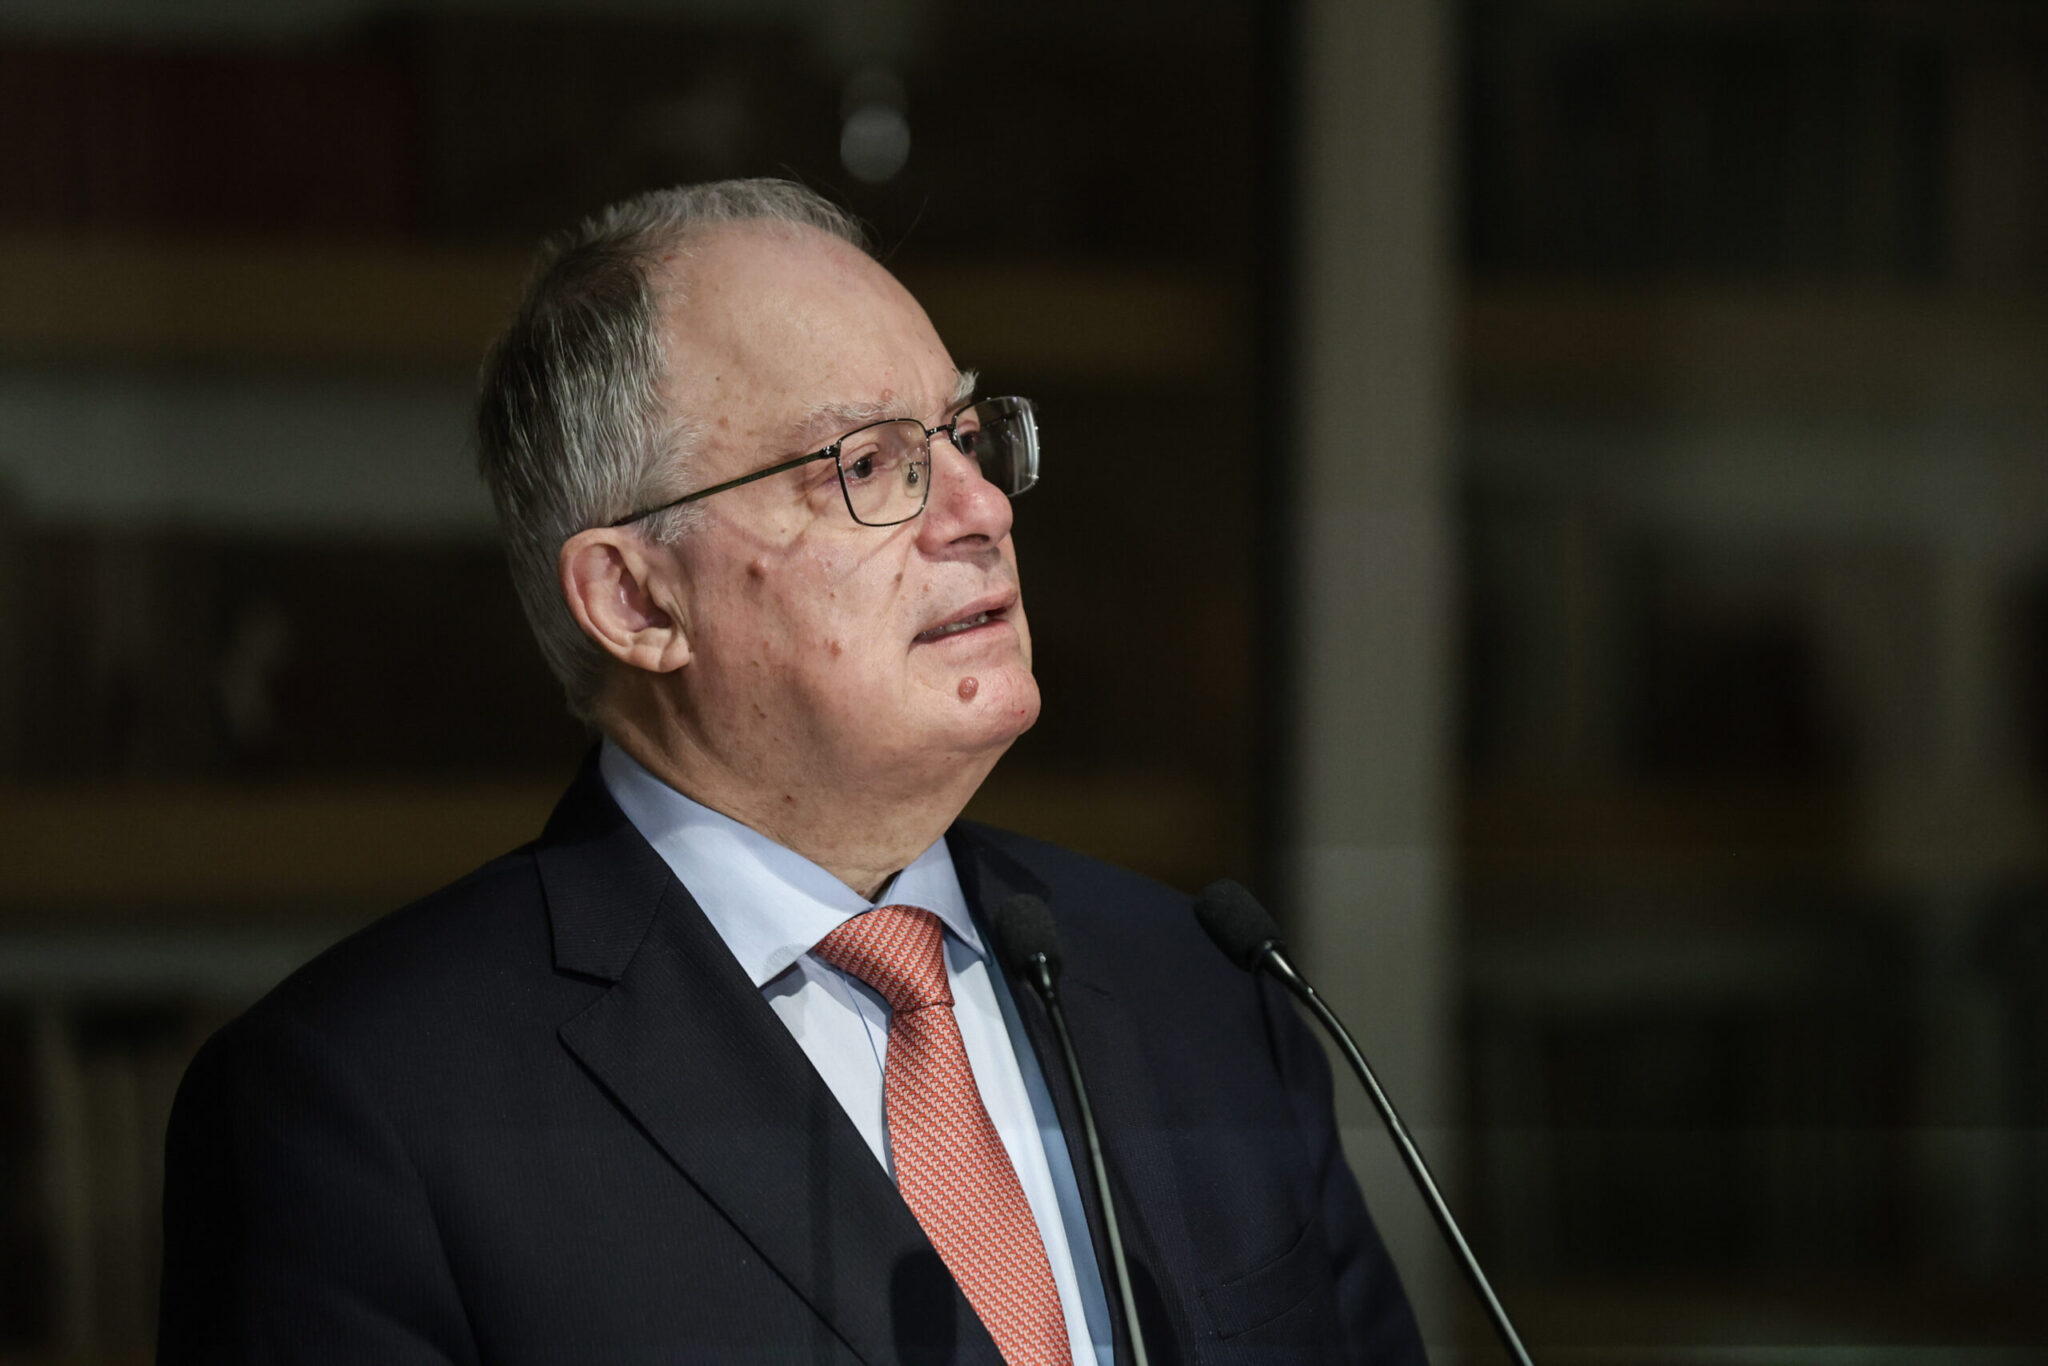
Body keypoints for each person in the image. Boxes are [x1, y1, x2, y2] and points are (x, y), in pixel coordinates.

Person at [158, 179, 1426, 1366]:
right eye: (867, 463)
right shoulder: (364, 1109)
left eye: (964, 434)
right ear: (637, 599)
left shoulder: (1203, 988)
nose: (980, 509)